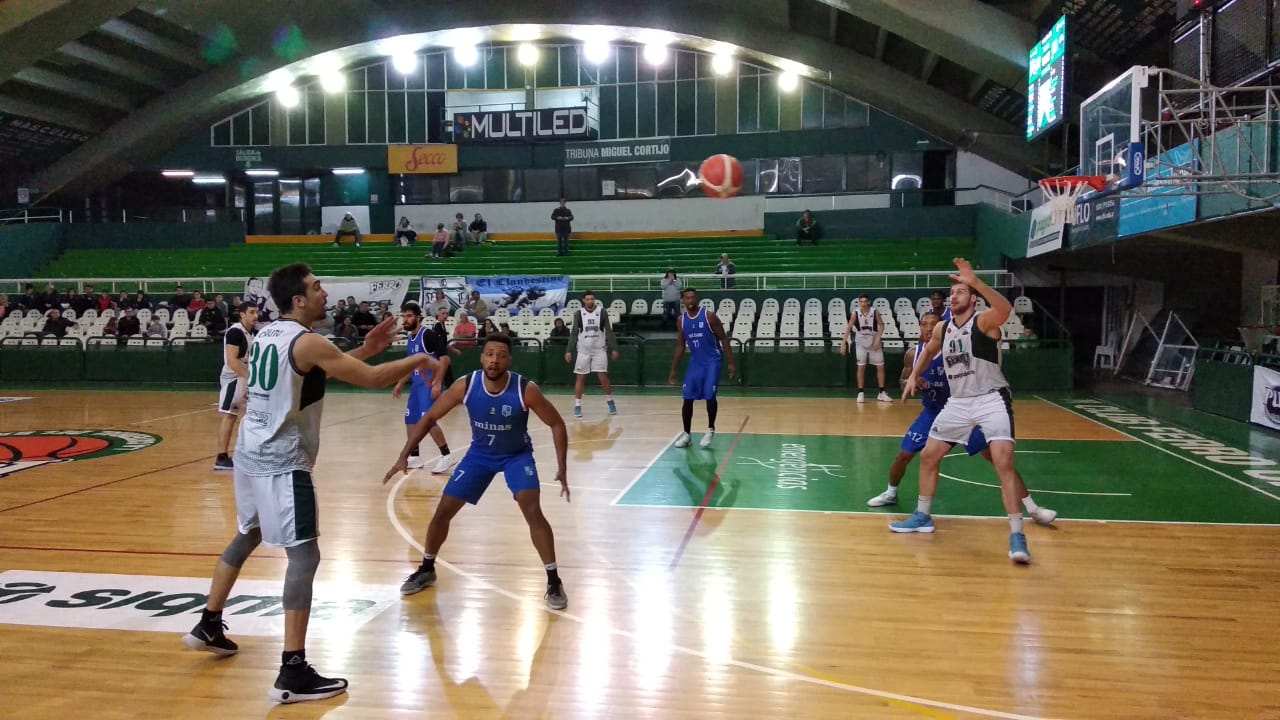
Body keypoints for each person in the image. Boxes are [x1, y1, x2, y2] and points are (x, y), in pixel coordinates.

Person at [181, 263, 441, 704]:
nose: (324, 293)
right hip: (283, 460)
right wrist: (418, 359)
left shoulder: (268, 334)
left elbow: (314, 372)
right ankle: (292, 670)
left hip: (250, 451)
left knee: (248, 534)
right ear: (299, 300)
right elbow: (371, 379)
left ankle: (209, 621)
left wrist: (366, 348)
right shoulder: (309, 341)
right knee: (305, 556)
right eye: (317, 287)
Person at [384, 333, 571, 610]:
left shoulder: (525, 389)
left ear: (509, 360)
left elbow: (556, 423)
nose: (495, 360)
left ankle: (554, 580)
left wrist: (562, 467)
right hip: (480, 456)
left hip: (516, 456)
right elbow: (430, 416)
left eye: (501, 355)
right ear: (482, 357)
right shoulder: (466, 385)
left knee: (532, 509)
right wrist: (403, 455)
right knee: (443, 512)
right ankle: (427, 568)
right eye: (490, 354)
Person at [895, 258, 1034, 563]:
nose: (953, 295)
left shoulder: (984, 322)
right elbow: (929, 351)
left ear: (973, 299)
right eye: (952, 292)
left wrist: (976, 282)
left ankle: (1017, 535)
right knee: (929, 456)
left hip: (990, 399)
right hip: (958, 402)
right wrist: (915, 375)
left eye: (960, 292)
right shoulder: (943, 328)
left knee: (1003, 463)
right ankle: (922, 515)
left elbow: (1005, 310)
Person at [866, 311, 1057, 530]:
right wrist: (912, 382)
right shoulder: (913, 354)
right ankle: (891, 492)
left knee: (1000, 462)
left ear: (941, 328)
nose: (928, 328)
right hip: (932, 413)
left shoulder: (957, 348)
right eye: (924, 324)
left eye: (933, 324)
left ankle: (1033, 508)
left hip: (965, 413)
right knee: (904, 455)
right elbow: (903, 380)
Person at [392, 303, 458, 474]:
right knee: (410, 419)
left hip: (428, 384)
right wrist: (400, 383)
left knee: (427, 421)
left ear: (418, 317)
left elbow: (445, 359)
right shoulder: (410, 338)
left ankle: (446, 455)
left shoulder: (428, 335)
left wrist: (438, 382)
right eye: (403, 316)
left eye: (409, 316)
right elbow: (410, 365)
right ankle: (414, 456)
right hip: (416, 385)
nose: (405, 319)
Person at [668, 287, 735, 448]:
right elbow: (680, 346)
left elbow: (724, 339)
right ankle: (687, 435)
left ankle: (710, 429)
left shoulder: (709, 316)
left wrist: (731, 363)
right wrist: (673, 369)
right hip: (696, 362)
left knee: (709, 396)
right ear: (683, 301)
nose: (690, 300)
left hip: (713, 361)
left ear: (696, 299)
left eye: (693, 297)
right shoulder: (681, 320)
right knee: (687, 397)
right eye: (687, 298)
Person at [214, 302, 259, 471]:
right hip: (234, 377)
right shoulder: (235, 332)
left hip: (245, 376)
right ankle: (221, 457)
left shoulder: (254, 333)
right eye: (251, 312)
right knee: (230, 415)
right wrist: (251, 379)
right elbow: (233, 361)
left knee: (253, 415)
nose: (255, 316)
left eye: (257, 312)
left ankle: (249, 453)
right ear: (242, 314)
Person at [565, 290, 620, 418]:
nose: (590, 301)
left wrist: (615, 348)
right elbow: (574, 333)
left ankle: (610, 401)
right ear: (583, 300)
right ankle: (577, 405)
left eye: (592, 299)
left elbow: (608, 331)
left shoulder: (602, 312)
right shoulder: (579, 314)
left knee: (603, 377)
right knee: (580, 378)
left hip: (599, 349)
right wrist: (568, 350)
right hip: (583, 350)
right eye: (588, 299)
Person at [842, 295, 889, 403]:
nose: (863, 303)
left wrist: (878, 339)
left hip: (874, 341)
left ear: (869, 302)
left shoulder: (874, 312)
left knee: (880, 366)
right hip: (861, 342)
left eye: (865, 301)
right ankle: (860, 393)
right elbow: (849, 327)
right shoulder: (855, 313)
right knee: (861, 366)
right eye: (861, 301)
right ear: (859, 303)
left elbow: (881, 325)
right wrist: (843, 342)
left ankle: (881, 392)